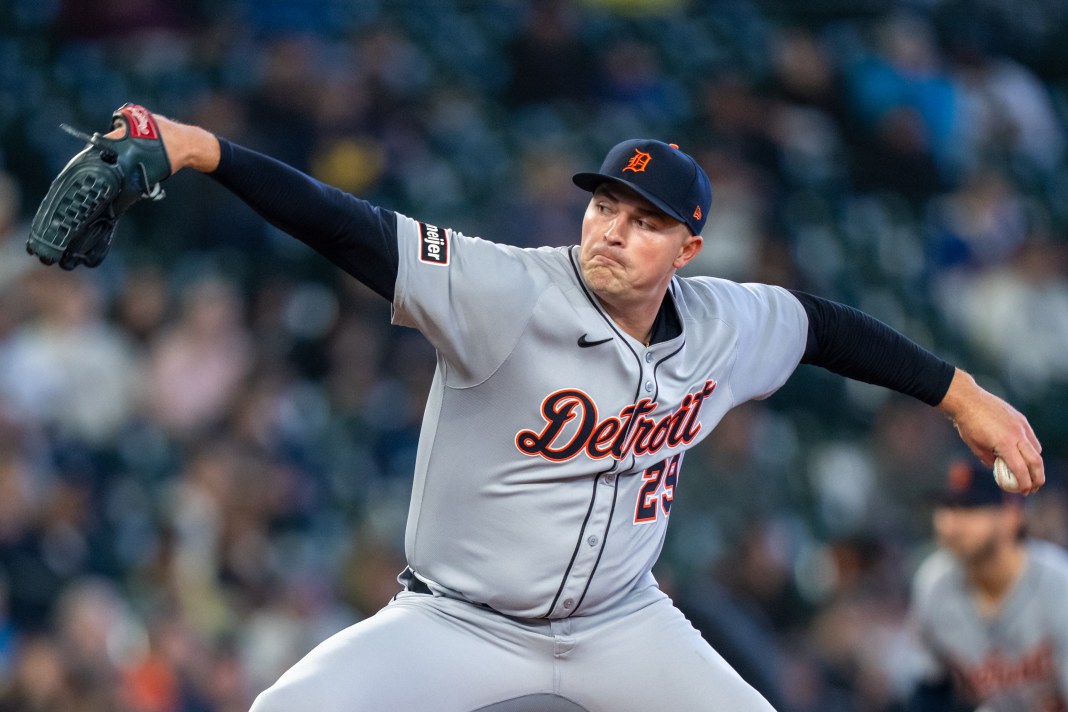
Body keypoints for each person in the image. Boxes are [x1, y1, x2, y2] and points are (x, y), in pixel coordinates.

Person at [93, 107, 1044, 711]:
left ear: (690, 247)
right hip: (455, 623)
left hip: (620, 625)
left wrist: (964, 398)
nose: (612, 231)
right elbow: (345, 225)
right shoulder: (505, 291)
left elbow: (829, 329)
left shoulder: (727, 322)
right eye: (603, 208)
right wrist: (204, 150)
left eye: (644, 222)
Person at [907, 457, 1068, 712]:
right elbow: (930, 690)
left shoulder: (1059, 584)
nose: (950, 524)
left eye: (968, 508)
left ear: (1011, 515)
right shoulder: (932, 585)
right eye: (945, 507)